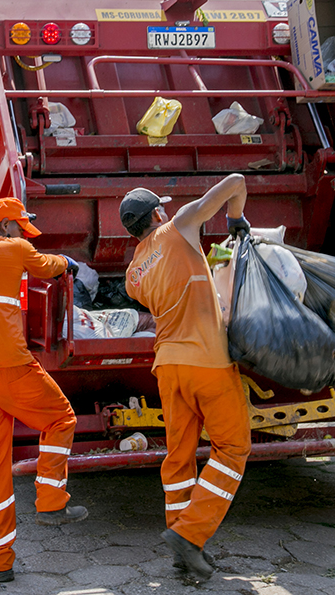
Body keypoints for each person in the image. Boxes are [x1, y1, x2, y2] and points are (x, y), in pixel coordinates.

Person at [0, 197, 88, 583]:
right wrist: (70, 264)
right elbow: (48, 266)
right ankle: (51, 501)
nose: (25, 234)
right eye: (21, 227)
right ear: (7, 227)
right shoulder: (16, 248)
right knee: (60, 418)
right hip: (12, 370)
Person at [119, 177, 252, 581]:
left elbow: (176, 282)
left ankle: (183, 550)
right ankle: (191, 536)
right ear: (158, 213)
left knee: (178, 459)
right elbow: (236, 182)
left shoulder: (132, 277)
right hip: (207, 362)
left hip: (168, 368)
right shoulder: (179, 224)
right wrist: (236, 219)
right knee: (232, 449)